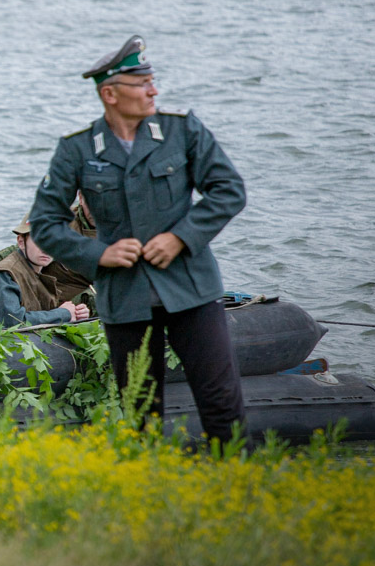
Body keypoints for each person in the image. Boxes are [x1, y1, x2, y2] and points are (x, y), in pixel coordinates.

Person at [29, 35, 248, 447]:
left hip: (192, 290)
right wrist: (100, 254)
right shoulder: (77, 148)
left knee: (221, 402)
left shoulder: (182, 130)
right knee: (141, 412)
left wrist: (181, 237)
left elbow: (229, 190)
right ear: (110, 94)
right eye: (142, 83)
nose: (154, 90)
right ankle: (150, 480)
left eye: (152, 80)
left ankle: (237, 477)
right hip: (126, 298)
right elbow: (45, 222)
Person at [0, 193, 97, 306]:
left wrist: (73, 310)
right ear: (81, 198)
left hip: (82, 305)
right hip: (41, 297)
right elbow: (20, 252)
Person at [0, 216, 90, 327]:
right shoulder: (7, 273)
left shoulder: (37, 269)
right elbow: (13, 322)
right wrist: (63, 314)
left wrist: (76, 313)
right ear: (21, 242)